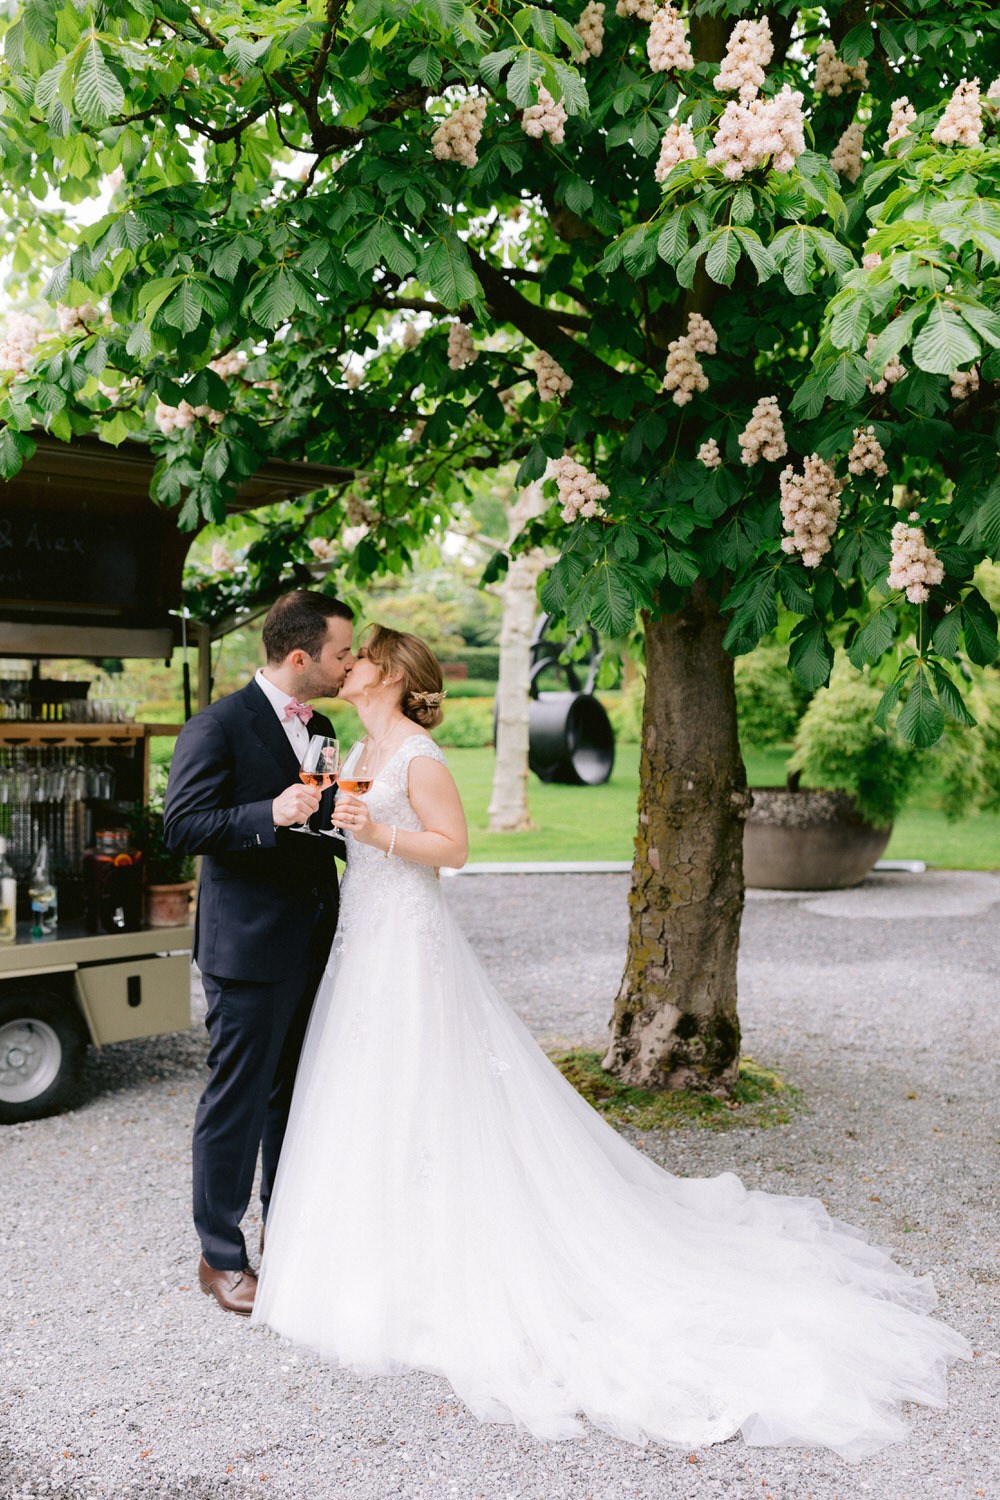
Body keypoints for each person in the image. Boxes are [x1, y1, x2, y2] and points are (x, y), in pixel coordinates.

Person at [251, 623, 970, 1460]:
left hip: (410, 947)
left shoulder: (417, 757)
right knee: (364, 1093)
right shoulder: (355, 749)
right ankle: (364, 1262)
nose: (348, 665)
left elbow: (455, 850)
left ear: (392, 675)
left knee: (425, 1085)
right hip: (363, 943)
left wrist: (376, 835)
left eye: (361, 657)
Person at [163, 589, 355, 1316]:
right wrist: (265, 814)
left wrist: (351, 820)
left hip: (314, 936)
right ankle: (220, 1255)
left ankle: (287, 1228)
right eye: (341, 653)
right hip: (246, 946)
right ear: (300, 656)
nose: (349, 664)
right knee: (237, 1099)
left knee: (294, 1093)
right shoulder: (217, 726)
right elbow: (182, 826)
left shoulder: (325, 724)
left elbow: (324, 816)